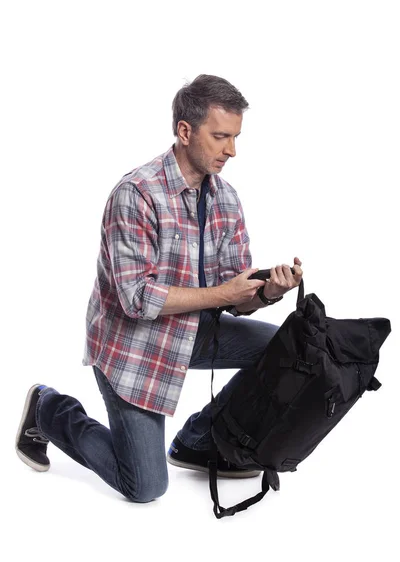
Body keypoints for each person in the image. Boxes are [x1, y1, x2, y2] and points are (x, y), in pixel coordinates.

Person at [15, 74, 303, 503]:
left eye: (236, 137)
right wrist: (225, 294)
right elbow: (137, 299)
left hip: (195, 332)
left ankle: (199, 438)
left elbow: (236, 294)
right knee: (145, 487)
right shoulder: (136, 194)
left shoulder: (226, 199)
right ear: (185, 132)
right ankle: (48, 409)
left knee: (289, 346)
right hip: (135, 346)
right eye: (221, 136)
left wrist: (267, 291)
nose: (232, 151)